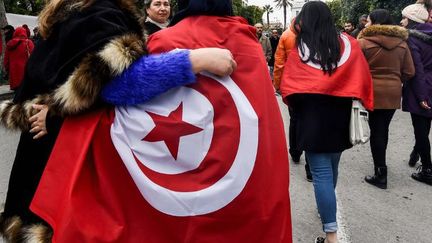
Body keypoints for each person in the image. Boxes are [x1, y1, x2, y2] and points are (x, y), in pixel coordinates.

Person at [27, 0, 292, 241]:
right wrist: (194, 60)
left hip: (49, 145)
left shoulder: (137, 29)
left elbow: (114, 100)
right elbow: (112, 86)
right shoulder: (249, 45)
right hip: (49, 139)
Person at [280, 2, 373, 242]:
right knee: (332, 168)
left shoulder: (300, 46)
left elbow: (289, 85)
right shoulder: (348, 44)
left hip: (312, 116)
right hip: (339, 115)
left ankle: (331, 234)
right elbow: (361, 76)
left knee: (321, 174)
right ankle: (327, 207)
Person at [357, 9, 415, 189]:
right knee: (383, 129)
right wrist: (395, 80)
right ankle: (380, 167)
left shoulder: (363, 43)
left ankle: (380, 173)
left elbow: (356, 71)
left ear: (374, 22)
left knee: (376, 130)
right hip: (393, 92)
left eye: (369, 20)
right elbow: (409, 72)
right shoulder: (403, 44)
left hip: (371, 92)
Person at [273, 23, 312, 181]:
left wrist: (278, 84)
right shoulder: (318, 33)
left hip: (292, 86)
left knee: (295, 119)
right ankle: (310, 168)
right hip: (314, 86)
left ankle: (295, 152)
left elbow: (279, 63)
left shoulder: (287, 35)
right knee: (312, 122)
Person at [400, 2, 432, 185]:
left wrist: (421, 97)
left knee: (420, 129)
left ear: (412, 20)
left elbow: (417, 69)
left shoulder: (412, 39)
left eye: (405, 17)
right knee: (424, 126)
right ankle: (416, 154)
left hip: (421, 88)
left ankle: (427, 169)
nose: (402, 20)